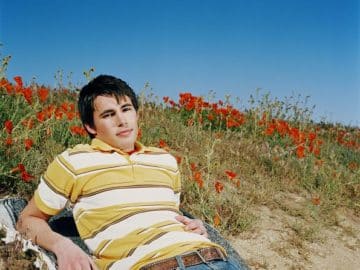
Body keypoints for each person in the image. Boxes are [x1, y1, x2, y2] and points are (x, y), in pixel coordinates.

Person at [16, 75, 241, 270]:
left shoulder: (165, 160)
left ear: (136, 114)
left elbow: (168, 215)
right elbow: (28, 220)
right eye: (108, 115)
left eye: (126, 110)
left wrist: (195, 226)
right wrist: (63, 246)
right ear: (90, 127)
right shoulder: (74, 162)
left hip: (217, 259)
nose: (122, 120)